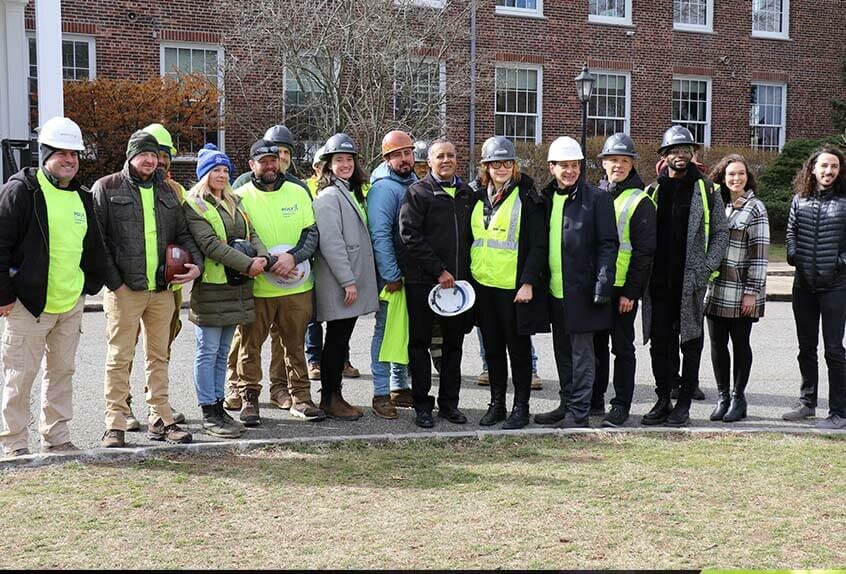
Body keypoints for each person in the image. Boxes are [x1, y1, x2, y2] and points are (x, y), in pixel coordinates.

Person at [0, 117, 106, 457]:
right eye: (61, 153)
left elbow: (92, 247)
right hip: (28, 305)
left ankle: (57, 436)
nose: (69, 160)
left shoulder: (82, 198)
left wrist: (90, 285)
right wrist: (4, 294)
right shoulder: (21, 191)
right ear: (44, 154)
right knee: (20, 376)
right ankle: (14, 443)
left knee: (61, 373)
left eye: (74, 154)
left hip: (69, 304)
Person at [92, 130, 203, 448]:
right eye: (144, 154)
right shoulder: (106, 187)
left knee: (159, 357)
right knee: (119, 356)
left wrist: (196, 264)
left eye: (155, 155)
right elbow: (98, 241)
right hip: (124, 290)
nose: (150, 160)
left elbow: (183, 232)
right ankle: (114, 423)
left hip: (162, 289)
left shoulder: (168, 191)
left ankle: (161, 418)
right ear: (131, 156)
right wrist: (116, 283)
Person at [640, 125, 728, 427]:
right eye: (675, 150)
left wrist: (704, 271)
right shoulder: (652, 191)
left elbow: (719, 234)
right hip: (657, 285)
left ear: (693, 154)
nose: (681, 155)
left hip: (689, 283)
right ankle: (663, 399)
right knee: (659, 344)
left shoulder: (707, 190)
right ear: (664, 155)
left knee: (690, 342)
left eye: (686, 150)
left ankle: (684, 404)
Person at [233, 139, 323, 426]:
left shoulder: (298, 192)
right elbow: (237, 239)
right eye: (263, 161)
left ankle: (302, 397)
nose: (270, 165)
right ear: (252, 165)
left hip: (297, 285)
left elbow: (311, 234)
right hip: (257, 286)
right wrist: (271, 263)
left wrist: (293, 258)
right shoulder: (239, 196)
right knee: (250, 346)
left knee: (295, 344)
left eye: (274, 159)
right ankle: (249, 399)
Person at [184, 144, 268, 438]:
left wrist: (263, 258)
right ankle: (208, 410)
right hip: (212, 287)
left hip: (236, 287)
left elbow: (252, 233)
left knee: (222, 353)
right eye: (215, 170)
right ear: (204, 174)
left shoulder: (236, 200)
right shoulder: (194, 204)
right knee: (207, 351)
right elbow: (210, 246)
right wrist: (249, 265)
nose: (221, 175)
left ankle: (219, 406)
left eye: (224, 170)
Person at [533, 136, 618, 429]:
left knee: (583, 355)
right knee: (563, 352)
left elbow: (609, 244)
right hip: (555, 292)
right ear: (552, 167)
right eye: (564, 166)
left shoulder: (598, 199)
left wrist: (603, 283)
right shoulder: (545, 199)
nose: (570, 171)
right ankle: (566, 404)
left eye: (575, 165)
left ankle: (579, 413)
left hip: (584, 291)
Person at [470, 137, 548, 430]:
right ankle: (497, 405)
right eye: (495, 163)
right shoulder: (477, 197)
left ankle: (521, 408)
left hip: (514, 290)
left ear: (514, 166)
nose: (501, 168)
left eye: (506, 163)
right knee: (492, 350)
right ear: (486, 167)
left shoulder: (527, 197)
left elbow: (538, 245)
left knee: (518, 351)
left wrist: (528, 282)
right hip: (484, 288)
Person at [225, 125, 301, 413]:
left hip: (289, 275)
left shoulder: (296, 186)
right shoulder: (243, 185)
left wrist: (293, 258)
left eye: (284, 153)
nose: (279, 159)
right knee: (245, 337)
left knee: (283, 337)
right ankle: (236, 384)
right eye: (275, 152)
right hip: (254, 272)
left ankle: (279, 387)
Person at [399, 139, 475, 428]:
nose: (446, 160)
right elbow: (409, 236)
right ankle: (422, 405)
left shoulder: (468, 193)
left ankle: (449, 405)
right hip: (423, 283)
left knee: (454, 346)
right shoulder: (417, 193)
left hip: (458, 288)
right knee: (419, 345)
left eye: (451, 156)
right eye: (440, 156)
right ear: (428, 162)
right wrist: (439, 270)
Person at [120, 122, 189, 433]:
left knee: (161, 346)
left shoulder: (175, 191)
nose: (160, 162)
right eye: (155, 155)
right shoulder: (116, 187)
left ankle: (157, 403)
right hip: (130, 286)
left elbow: (187, 232)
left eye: (165, 157)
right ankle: (123, 404)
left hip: (168, 284)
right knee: (125, 347)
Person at [590, 133, 656, 428]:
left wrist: (631, 292)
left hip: (622, 290)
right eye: (612, 160)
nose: (617, 165)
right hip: (599, 284)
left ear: (632, 164)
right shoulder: (597, 193)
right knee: (597, 345)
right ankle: (595, 399)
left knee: (622, 348)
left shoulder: (639, 201)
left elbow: (644, 252)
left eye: (624, 160)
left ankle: (621, 405)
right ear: (603, 163)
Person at [312, 133, 378, 420]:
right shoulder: (329, 196)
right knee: (337, 341)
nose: (345, 164)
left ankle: (333, 395)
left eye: (349, 159)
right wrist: (347, 281)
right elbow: (332, 243)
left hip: (349, 279)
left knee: (340, 339)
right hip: (340, 283)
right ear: (328, 164)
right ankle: (330, 397)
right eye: (339, 160)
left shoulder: (349, 192)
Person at [783, 145, 846, 429]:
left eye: (833, 166)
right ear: (813, 169)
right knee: (805, 347)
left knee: (834, 350)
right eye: (823, 166)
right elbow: (791, 232)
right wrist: (794, 255)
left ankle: (839, 412)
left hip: (836, 286)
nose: (828, 171)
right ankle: (808, 403)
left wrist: (838, 263)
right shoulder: (800, 199)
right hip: (804, 286)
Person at [703, 154, 769, 423]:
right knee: (718, 345)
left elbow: (760, 253)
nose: (736, 178)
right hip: (716, 288)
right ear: (722, 176)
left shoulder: (755, 208)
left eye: (741, 173)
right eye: (731, 174)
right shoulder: (716, 205)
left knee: (740, 344)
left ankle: (738, 397)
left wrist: (752, 291)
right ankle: (722, 397)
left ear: (747, 176)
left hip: (742, 291)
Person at [366, 130, 417, 418]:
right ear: (387, 159)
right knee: (385, 332)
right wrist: (391, 274)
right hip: (392, 278)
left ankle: (399, 386)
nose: (403, 158)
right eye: (396, 155)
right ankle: (381, 392)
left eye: (407, 152)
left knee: (402, 330)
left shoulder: (411, 182)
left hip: (409, 275)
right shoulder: (384, 189)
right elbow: (380, 235)